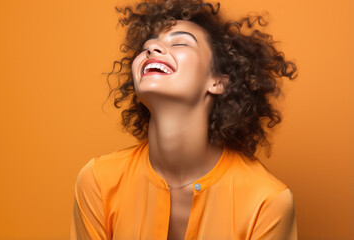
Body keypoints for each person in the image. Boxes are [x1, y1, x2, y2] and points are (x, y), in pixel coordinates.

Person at [71, 0, 298, 239]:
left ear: (218, 81)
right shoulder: (98, 181)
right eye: (147, 46)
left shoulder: (267, 201)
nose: (152, 50)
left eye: (180, 42)